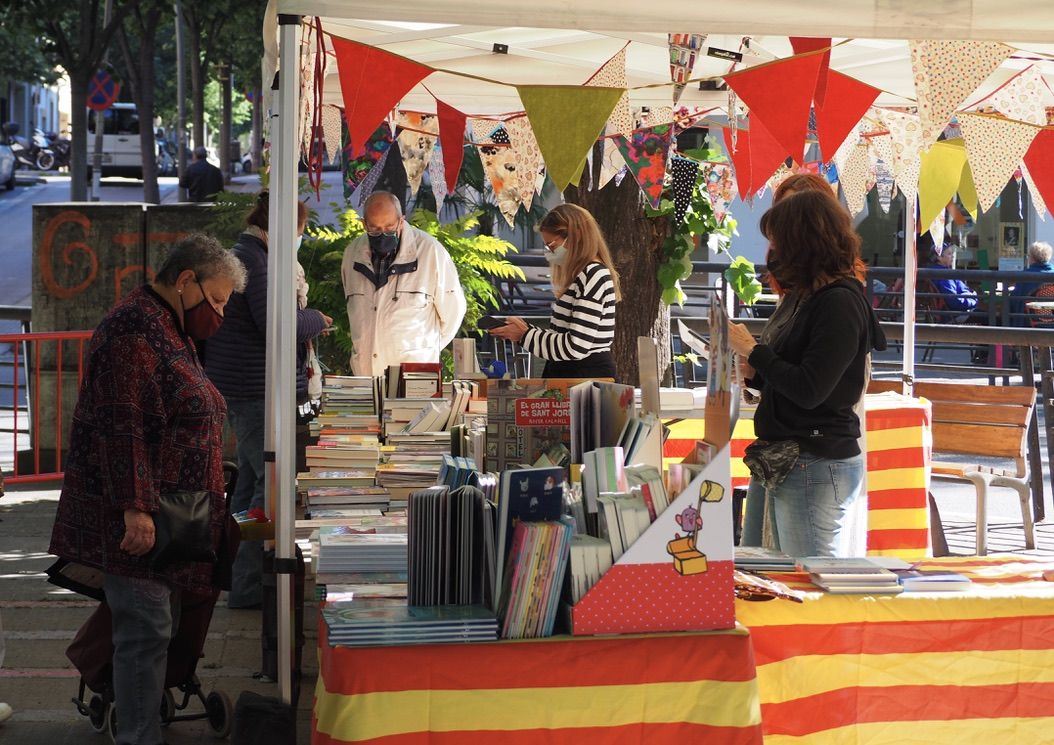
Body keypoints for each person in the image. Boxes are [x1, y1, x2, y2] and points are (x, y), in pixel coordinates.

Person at [49, 235, 247, 745]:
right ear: (186, 281)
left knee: (154, 626)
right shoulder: (134, 329)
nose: (221, 313)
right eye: (218, 299)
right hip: (145, 517)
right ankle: (139, 736)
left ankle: (143, 725)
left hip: (171, 514)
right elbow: (124, 425)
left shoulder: (167, 325)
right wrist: (134, 509)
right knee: (145, 630)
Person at [728, 190, 887, 557]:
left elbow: (811, 388)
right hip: (790, 454)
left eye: (779, 241)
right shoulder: (809, 297)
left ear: (803, 243)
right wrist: (754, 371)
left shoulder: (839, 302)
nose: (774, 252)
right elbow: (794, 374)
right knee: (767, 572)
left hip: (815, 458)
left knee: (809, 579)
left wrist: (755, 351)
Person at [204, 192, 331, 608]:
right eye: (299, 231)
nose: (299, 239)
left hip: (249, 384)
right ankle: (246, 584)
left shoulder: (255, 254)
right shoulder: (257, 261)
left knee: (253, 483)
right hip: (255, 387)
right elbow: (277, 323)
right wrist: (317, 320)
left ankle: (240, 584)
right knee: (265, 486)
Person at [341, 191, 466, 377]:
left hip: (415, 377)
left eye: (390, 227)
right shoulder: (352, 254)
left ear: (401, 221)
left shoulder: (431, 252)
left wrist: (425, 350)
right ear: (364, 224)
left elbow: (453, 313)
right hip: (365, 376)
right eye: (375, 229)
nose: (382, 234)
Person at [489, 204, 620, 379]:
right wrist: (525, 331)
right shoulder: (585, 274)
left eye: (552, 245)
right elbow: (565, 337)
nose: (549, 252)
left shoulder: (592, 274)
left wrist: (525, 334)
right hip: (573, 374)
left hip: (584, 377)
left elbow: (576, 346)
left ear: (576, 236)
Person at [1010, 241, 1054, 325]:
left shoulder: (1025, 277)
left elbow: (1014, 302)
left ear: (1032, 258)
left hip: (1028, 323)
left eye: (1028, 256)